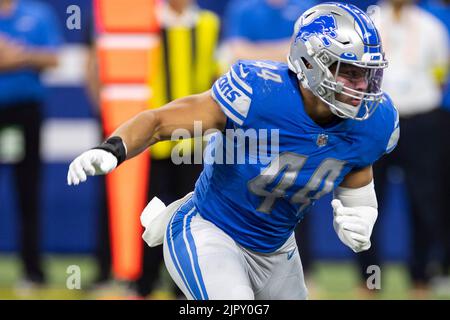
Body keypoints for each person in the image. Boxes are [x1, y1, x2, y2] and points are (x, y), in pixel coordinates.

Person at [67, 2, 399, 299]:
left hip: (277, 248)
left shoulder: (375, 121)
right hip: (210, 229)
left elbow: (358, 164)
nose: (362, 88)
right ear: (312, 64)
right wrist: (113, 148)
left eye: (368, 75)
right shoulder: (260, 93)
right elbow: (157, 122)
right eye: (351, 73)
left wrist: (363, 211)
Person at [0, 0, 62, 287]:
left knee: (28, 192)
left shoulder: (36, 14)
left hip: (25, 113)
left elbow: (53, 58)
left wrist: (20, 55)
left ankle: (32, 271)